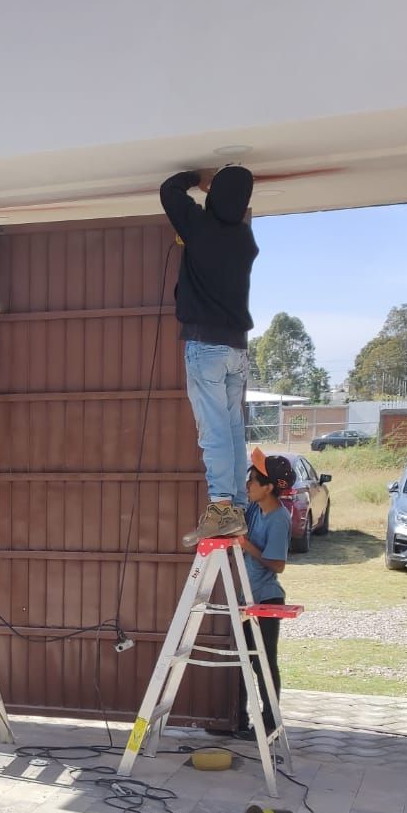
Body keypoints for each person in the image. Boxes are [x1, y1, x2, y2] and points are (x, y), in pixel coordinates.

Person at [159, 165, 258, 548]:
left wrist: (194, 180)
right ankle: (234, 506)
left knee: (213, 429)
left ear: (216, 196)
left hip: (206, 347)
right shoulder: (244, 239)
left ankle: (220, 509)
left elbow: (169, 189)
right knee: (231, 428)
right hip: (237, 348)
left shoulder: (201, 228)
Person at [237, 447, 294, 737]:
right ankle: (237, 721)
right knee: (242, 660)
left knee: (264, 662)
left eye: (253, 481)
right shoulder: (254, 508)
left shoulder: (279, 519)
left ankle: (269, 721)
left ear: (269, 487)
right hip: (245, 598)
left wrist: (249, 548)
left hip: (266, 598)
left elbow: (278, 564)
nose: (248, 485)